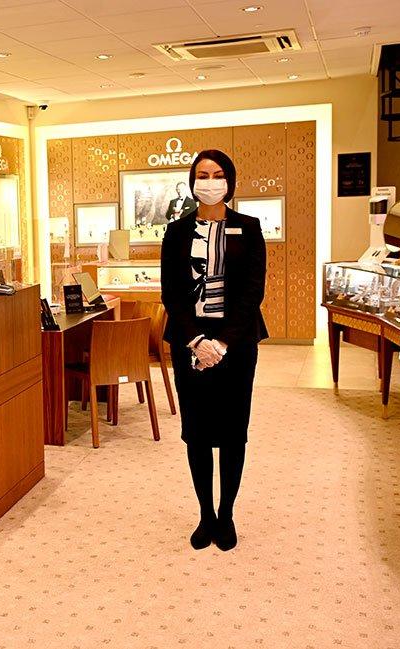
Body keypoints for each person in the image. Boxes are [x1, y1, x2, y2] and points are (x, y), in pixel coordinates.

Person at [160, 150, 268, 552]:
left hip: (236, 344)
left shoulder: (249, 227)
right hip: (190, 344)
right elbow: (171, 292)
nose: (209, 181)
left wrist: (222, 342)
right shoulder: (176, 232)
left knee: (233, 432)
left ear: (230, 181)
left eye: (217, 175)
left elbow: (252, 291)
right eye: (202, 175)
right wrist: (196, 341)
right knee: (198, 432)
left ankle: (227, 514)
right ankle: (205, 513)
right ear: (192, 181)